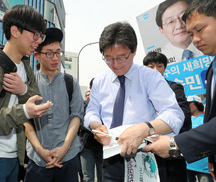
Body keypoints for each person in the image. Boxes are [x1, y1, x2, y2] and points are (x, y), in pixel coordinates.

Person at [84, 21, 184, 182]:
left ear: (134, 50)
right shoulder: (100, 81)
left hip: (145, 155)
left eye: (122, 57)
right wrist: (96, 126)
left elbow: (174, 115)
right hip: (111, 158)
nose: (115, 64)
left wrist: (145, 128)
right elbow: (92, 111)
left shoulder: (150, 77)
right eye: (108, 58)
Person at [0, 4, 52, 182]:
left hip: (15, 158)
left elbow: (36, 98)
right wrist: (23, 112)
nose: (39, 41)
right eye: (35, 35)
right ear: (15, 31)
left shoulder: (26, 67)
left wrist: (23, 89)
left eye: (41, 36)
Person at [143, 0, 216, 180]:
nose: (195, 39)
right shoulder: (211, 70)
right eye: (191, 33)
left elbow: (184, 117)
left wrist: (175, 143)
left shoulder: (176, 87)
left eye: (199, 30)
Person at [24, 27, 84, 182]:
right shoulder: (29, 84)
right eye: (49, 53)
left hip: (68, 158)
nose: (55, 58)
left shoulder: (71, 82)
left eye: (58, 52)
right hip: (37, 160)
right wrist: (40, 150)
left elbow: (76, 116)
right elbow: (25, 120)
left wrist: (64, 148)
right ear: (37, 55)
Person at [143, 51, 191, 182]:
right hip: (147, 152)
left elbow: (185, 115)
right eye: (151, 66)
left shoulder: (174, 87)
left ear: (165, 68)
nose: (156, 70)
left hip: (170, 151)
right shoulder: (140, 91)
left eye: (159, 66)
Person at [80, 78, 103, 182]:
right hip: (87, 146)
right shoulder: (84, 104)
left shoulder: (107, 104)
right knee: (87, 177)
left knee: (102, 176)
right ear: (90, 88)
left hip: (104, 146)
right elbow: (80, 122)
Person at [186, 95, 214, 182]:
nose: (187, 105)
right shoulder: (186, 120)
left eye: (190, 103)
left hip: (203, 166)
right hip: (188, 164)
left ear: (197, 103)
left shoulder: (206, 120)